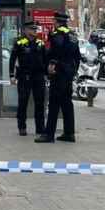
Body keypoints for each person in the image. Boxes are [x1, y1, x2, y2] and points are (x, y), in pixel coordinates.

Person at [38, 12, 81, 143]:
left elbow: (53, 52)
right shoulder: (73, 35)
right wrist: (73, 71)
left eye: (53, 21)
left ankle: (48, 135)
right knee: (67, 103)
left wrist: (51, 65)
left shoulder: (56, 34)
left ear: (56, 22)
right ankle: (69, 133)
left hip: (58, 72)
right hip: (68, 73)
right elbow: (77, 56)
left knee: (54, 103)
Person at [10, 21, 47, 136]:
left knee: (40, 103)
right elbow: (12, 60)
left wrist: (47, 74)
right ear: (25, 30)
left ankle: (40, 128)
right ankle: (22, 127)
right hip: (24, 77)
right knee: (23, 103)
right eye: (32, 29)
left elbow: (45, 60)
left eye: (35, 29)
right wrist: (12, 75)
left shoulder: (40, 43)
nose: (34, 31)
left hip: (38, 77)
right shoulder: (20, 43)